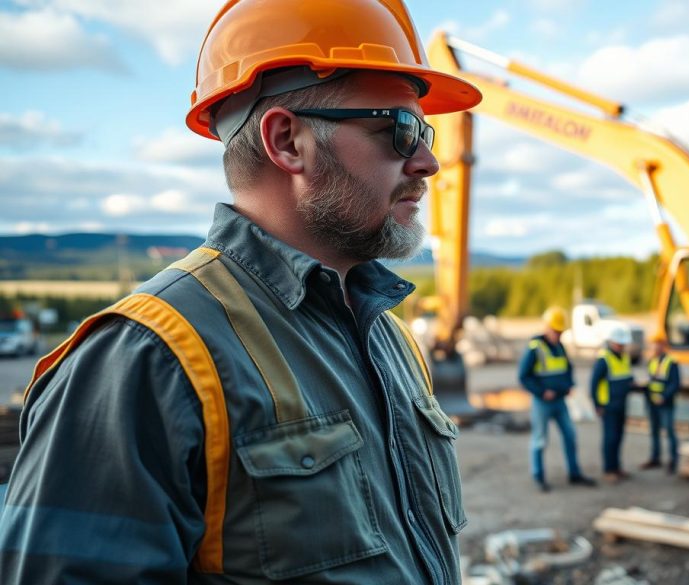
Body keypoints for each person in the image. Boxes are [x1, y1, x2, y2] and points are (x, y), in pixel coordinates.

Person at [0, 1, 483, 583]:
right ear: (287, 141)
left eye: (425, 131)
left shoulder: (390, 339)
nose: (429, 161)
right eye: (400, 131)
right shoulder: (147, 358)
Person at [518, 306, 597, 492]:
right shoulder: (535, 348)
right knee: (539, 440)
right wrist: (541, 391)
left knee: (570, 435)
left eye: (560, 332)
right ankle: (539, 477)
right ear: (546, 328)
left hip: (560, 402)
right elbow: (523, 376)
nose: (558, 335)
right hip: (542, 403)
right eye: (555, 331)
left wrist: (569, 385)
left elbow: (568, 369)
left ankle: (574, 473)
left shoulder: (560, 347)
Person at [590, 325, 635, 483]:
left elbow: (627, 378)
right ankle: (608, 470)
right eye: (619, 344)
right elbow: (594, 384)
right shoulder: (604, 360)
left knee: (618, 437)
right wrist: (597, 405)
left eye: (623, 344)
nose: (621, 347)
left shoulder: (624, 357)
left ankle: (616, 467)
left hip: (621, 404)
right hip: (608, 406)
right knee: (610, 438)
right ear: (611, 342)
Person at [639, 331, 680, 474]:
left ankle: (673, 461)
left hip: (665, 404)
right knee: (654, 432)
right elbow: (651, 381)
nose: (655, 347)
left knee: (669, 431)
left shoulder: (671, 362)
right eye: (653, 344)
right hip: (652, 403)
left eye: (658, 344)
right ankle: (655, 458)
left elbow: (675, 384)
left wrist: (664, 396)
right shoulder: (652, 361)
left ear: (664, 345)